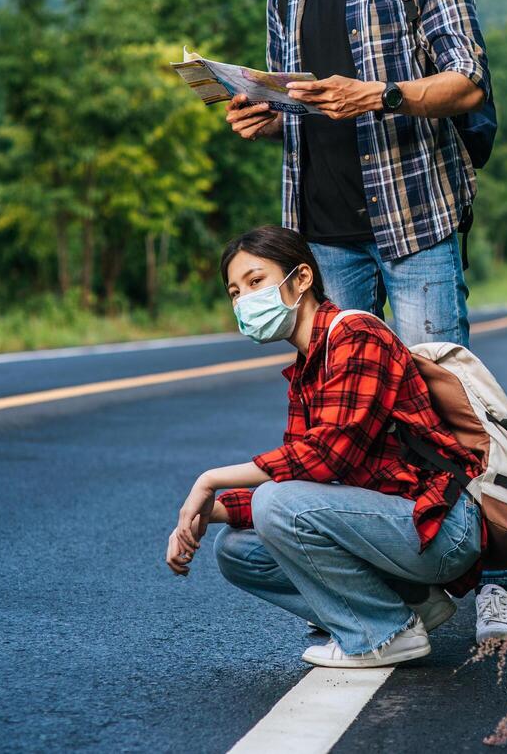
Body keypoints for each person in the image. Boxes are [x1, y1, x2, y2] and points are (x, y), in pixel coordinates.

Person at [222, 0, 507, 645]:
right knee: (348, 413)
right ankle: (399, 590)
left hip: (413, 217)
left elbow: (465, 79)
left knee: (442, 398)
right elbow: (296, 94)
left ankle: (490, 581)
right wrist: (259, 111)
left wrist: (382, 94)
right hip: (321, 232)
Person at [165, 226, 485, 668]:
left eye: (256, 282)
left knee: (277, 502)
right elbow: (300, 476)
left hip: (441, 527)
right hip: (392, 525)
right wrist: (206, 515)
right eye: (234, 292)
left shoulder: (357, 336)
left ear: (301, 279)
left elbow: (326, 456)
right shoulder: (307, 366)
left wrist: (210, 480)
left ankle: (382, 634)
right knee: (235, 550)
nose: (244, 301)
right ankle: (412, 604)